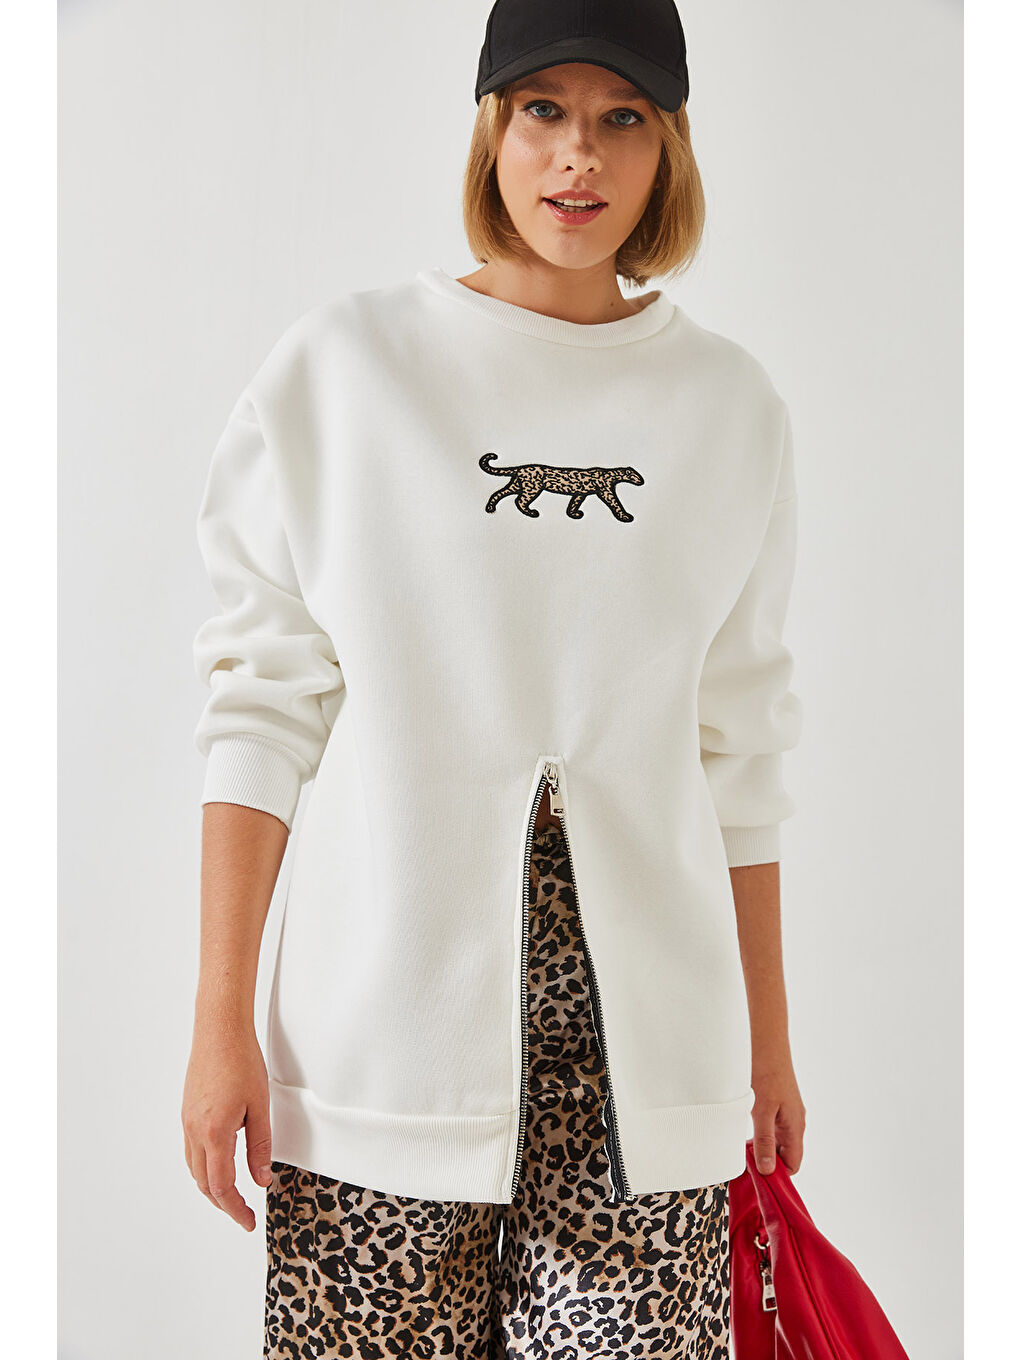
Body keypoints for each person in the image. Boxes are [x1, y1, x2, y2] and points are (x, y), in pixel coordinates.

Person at [181, 0, 807, 1354]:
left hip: (651, 1084)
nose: (579, 155)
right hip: (378, 1057)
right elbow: (260, 708)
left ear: (667, 148)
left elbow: (741, 748)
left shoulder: (729, 409)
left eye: (622, 118)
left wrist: (766, 1041)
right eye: (543, 111)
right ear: (491, 130)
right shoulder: (345, 371)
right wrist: (218, 1022)